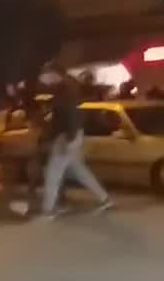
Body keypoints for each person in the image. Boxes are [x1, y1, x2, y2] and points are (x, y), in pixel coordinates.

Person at [37, 65, 113, 219]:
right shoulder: (66, 87)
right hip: (71, 134)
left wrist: (69, 138)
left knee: (53, 172)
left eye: (43, 76)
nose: (42, 80)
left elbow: (72, 115)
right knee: (79, 170)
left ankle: (48, 210)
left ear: (53, 74)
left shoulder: (65, 89)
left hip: (66, 136)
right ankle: (104, 198)